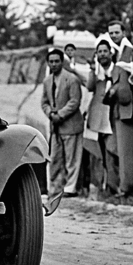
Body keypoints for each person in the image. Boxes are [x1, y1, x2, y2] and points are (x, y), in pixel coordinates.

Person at [42, 48, 84, 199]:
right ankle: (54, 188)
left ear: (62, 62)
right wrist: (50, 114)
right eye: (51, 62)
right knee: (54, 158)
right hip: (55, 127)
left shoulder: (72, 79)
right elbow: (44, 102)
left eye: (56, 61)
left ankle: (71, 187)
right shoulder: (47, 81)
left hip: (71, 125)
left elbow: (75, 101)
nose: (54, 64)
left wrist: (61, 114)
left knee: (72, 159)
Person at [106, 20, 133, 196]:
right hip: (118, 109)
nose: (113, 36)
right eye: (111, 33)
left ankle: (126, 187)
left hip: (128, 108)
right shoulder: (117, 52)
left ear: (124, 32)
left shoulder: (129, 51)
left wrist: (116, 91)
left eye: (116, 32)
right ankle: (124, 185)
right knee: (119, 149)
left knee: (126, 151)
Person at [85, 40, 118, 196]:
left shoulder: (116, 71)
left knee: (113, 151)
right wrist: (92, 70)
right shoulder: (97, 74)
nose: (102, 54)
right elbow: (90, 87)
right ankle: (106, 185)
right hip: (99, 119)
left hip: (114, 117)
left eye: (105, 51)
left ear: (110, 53)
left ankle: (114, 185)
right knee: (102, 154)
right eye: (99, 51)